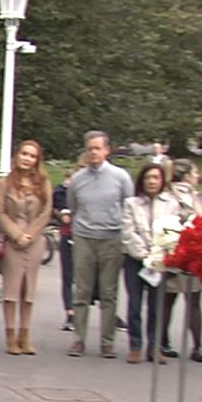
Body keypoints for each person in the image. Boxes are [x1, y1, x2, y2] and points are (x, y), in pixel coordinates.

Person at [67, 130, 133, 358]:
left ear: (107, 150)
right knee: (82, 292)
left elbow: (129, 206)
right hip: (85, 237)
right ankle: (78, 339)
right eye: (90, 148)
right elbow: (73, 206)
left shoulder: (121, 177)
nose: (93, 152)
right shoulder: (78, 179)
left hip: (111, 238)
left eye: (97, 148)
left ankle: (107, 341)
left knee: (109, 292)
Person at [0, 140, 52, 355]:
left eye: (32, 156)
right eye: (24, 154)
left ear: (37, 160)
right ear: (17, 155)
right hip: (12, 240)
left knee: (29, 290)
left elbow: (46, 212)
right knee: (11, 289)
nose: (27, 158)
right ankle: (10, 334)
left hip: (35, 240)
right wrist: (16, 235)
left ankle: (25, 334)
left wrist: (31, 234)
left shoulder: (43, 183)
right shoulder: (4, 183)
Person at [121, 163, 181, 364]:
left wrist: (159, 254)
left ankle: (154, 347)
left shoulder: (171, 203)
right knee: (135, 305)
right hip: (136, 259)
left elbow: (174, 231)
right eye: (148, 177)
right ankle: (135, 346)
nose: (152, 181)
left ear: (162, 180)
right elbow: (128, 233)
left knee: (156, 306)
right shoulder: (132, 203)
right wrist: (145, 254)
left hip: (160, 261)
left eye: (156, 177)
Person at [165, 158, 202, 362]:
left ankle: (164, 341)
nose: (198, 176)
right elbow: (199, 219)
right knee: (192, 301)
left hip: (183, 252)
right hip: (184, 252)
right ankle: (197, 346)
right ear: (187, 175)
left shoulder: (179, 192)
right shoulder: (182, 194)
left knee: (170, 299)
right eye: (196, 172)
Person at [52, 166, 81, 331]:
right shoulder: (61, 192)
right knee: (68, 276)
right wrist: (62, 213)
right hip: (68, 235)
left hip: (86, 237)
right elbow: (59, 209)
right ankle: (70, 312)